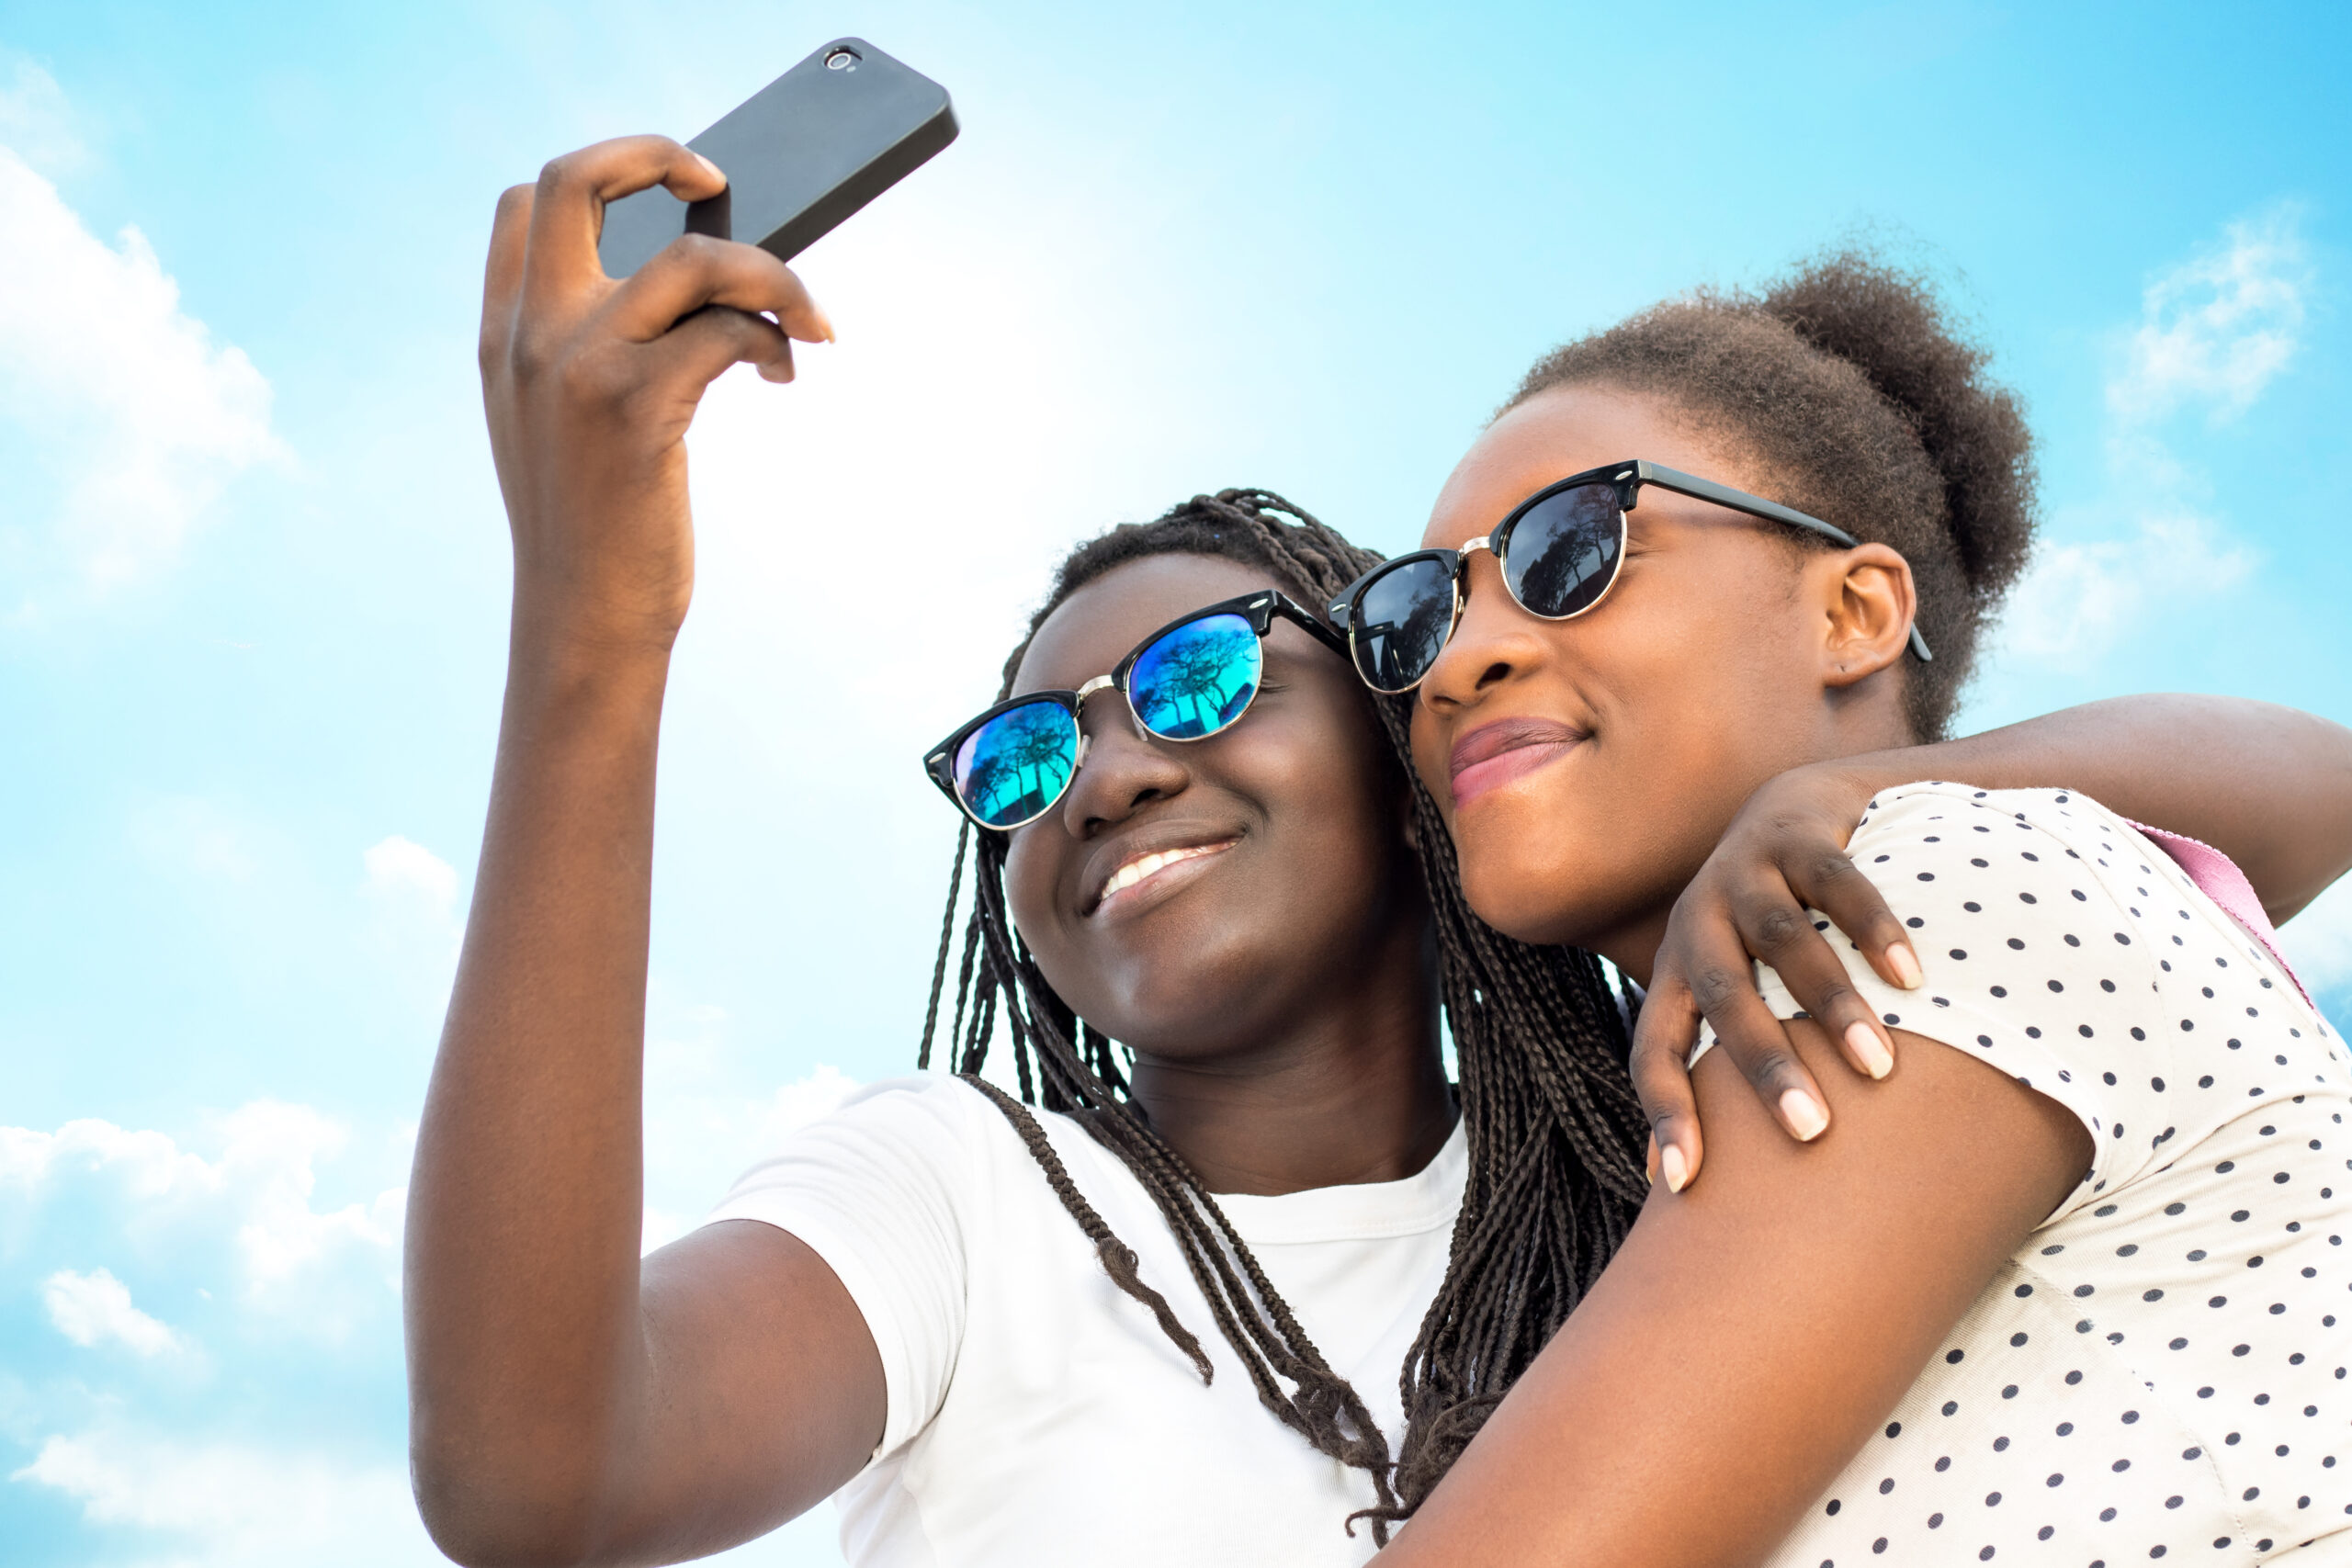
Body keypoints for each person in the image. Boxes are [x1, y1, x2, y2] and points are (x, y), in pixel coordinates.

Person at [405, 138, 2352, 1567]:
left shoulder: (1711, 1092)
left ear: (1396, 752)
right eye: (1014, 756)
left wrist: (1874, 791)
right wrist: (592, 627)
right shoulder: (971, 1189)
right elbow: (538, 1473)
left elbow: (2275, 799)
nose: (1096, 777)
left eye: (1192, 679)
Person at [1325, 254, 2352, 1564]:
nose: (1461, 661)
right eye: (1415, 617)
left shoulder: (1919, 899)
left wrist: (1863, 792)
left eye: (1568, 550)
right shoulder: (1694, 1096)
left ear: (1855, 613)